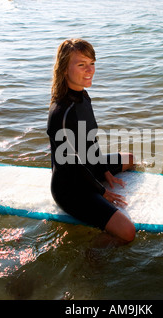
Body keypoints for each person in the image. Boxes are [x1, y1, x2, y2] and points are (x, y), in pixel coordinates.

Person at [47, 38, 136, 243]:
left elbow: (90, 140)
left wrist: (105, 171)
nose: (90, 70)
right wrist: (102, 191)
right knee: (127, 232)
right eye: (81, 64)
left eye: (92, 63)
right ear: (64, 69)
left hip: (88, 165)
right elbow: (70, 166)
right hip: (70, 186)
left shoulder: (83, 97)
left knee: (129, 158)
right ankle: (92, 250)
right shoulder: (61, 113)